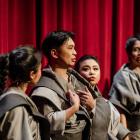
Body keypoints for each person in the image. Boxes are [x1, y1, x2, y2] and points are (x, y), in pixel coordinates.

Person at [31, 30, 96, 140]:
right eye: (70, 48)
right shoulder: (43, 88)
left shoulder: (77, 80)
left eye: (74, 48)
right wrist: (74, 108)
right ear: (54, 53)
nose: (75, 52)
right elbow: (46, 124)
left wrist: (92, 106)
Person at [75, 55, 130, 140]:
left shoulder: (104, 102)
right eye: (85, 69)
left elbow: (117, 128)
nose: (92, 72)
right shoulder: (73, 96)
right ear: (77, 73)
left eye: (95, 69)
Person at [0, 46, 50, 140]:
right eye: (40, 68)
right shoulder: (17, 107)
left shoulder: (11, 96)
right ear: (32, 74)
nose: (41, 72)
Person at [109, 36, 140, 139]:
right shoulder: (122, 76)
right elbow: (119, 111)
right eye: (136, 50)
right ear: (129, 53)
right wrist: (125, 136)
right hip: (134, 132)